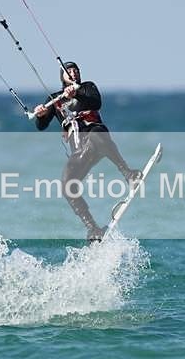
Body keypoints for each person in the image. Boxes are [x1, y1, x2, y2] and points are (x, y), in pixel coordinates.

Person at [34, 61, 140, 241]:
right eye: (69, 71)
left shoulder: (87, 88)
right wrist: (41, 115)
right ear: (62, 76)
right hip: (80, 151)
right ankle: (92, 228)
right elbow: (41, 126)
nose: (73, 73)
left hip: (97, 137)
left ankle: (128, 173)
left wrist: (77, 92)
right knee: (67, 185)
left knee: (97, 135)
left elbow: (96, 102)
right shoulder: (55, 99)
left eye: (76, 70)